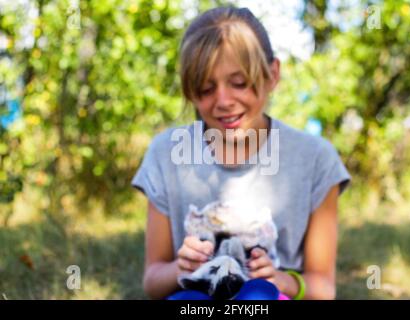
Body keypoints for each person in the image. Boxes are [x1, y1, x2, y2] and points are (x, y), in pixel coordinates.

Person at [131, 6, 351, 300]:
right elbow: (153, 282)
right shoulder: (165, 154)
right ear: (189, 92)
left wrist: (283, 281)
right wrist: (181, 270)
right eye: (206, 89)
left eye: (239, 83)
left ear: (272, 75)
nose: (223, 101)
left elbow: (322, 288)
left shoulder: (316, 160)